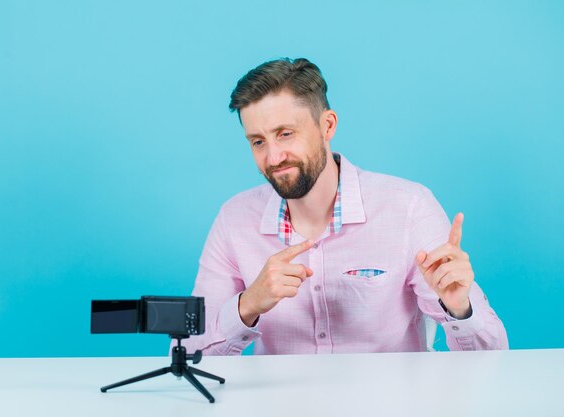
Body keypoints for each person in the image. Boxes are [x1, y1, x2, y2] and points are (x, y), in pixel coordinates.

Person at [182, 58, 508, 355]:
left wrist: (459, 309)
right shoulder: (234, 220)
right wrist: (248, 305)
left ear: (327, 126)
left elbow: (493, 359)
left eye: (285, 134)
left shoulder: (408, 207)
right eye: (258, 141)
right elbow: (187, 357)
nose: (273, 157)